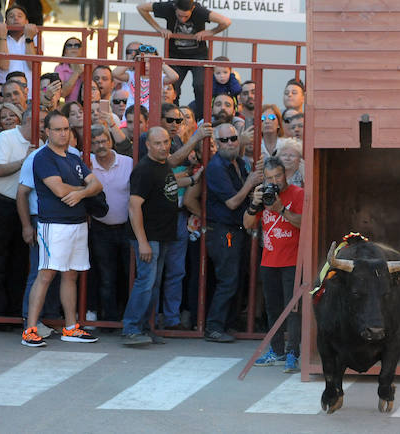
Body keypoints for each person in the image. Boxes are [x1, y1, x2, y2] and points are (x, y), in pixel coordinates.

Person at [21, 111, 103, 347]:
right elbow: (57, 189)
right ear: (47, 131)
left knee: (71, 274)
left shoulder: (74, 157)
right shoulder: (43, 157)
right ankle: (30, 330)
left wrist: (81, 193)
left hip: (77, 224)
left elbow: (96, 184)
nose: (63, 133)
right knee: (46, 273)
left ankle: (70, 327)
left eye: (66, 129)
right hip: (53, 224)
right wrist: (82, 190)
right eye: (57, 129)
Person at [121, 127, 196, 346]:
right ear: (147, 146)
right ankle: (131, 328)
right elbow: (134, 206)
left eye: (166, 142)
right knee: (145, 282)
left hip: (162, 235)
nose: (163, 147)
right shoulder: (144, 169)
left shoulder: (162, 166)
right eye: (158, 143)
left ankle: (144, 327)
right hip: (149, 237)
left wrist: (192, 180)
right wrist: (143, 242)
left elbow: (167, 186)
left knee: (153, 284)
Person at [205, 122, 263, 342]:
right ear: (216, 143)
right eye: (224, 140)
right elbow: (231, 202)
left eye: (233, 139)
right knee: (228, 279)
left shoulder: (238, 162)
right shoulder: (216, 167)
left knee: (237, 278)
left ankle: (227, 324)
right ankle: (214, 327)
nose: (230, 143)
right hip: (223, 231)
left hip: (237, 229)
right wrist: (249, 182)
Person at [245, 156, 303, 373]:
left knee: (293, 309)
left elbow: (303, 221)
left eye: (277, 176)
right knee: (273, 308)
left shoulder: (297, 194)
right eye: (269, 178)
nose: (274, 182)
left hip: (293, 260)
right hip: (269, 260)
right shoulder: (264, 196)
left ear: (285, 174)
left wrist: (280, 209)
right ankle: (276, 350)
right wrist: (254, 204)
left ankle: (292, 353)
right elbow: (247, 224)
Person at [137, 0, 232, 117]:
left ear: (192, 10)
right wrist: (159, 28)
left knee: (200, 85)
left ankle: (201, 118)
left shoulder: (199, 10)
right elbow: (141, 8)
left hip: (198, 55)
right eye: (179, 15)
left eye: (186, 16)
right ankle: (172, 116)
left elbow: (226, 21)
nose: (182, 19)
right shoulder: (168, 6)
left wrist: (211, 32)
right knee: (173, 85)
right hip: (176, 54)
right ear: (175, 8)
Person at [0, 103, 37, 319]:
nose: (45, 126)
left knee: (19, 261)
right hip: (2, 204)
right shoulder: (6, 138)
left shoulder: (41, 142)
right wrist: (25, 160)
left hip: (24, 206)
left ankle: (15, 312)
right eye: (41, 122)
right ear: (28, 120)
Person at [88, 126, 133, 323]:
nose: (101, 146)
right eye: (96, 142)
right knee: (106, 276)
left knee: (129, 274)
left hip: (126, 227)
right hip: (100, 229)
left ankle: (130, 318)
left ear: (111, 142)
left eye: (104, 141)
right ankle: (110, 320)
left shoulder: (128, 163)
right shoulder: (87, 163)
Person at [0, 6, 38, 89]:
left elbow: (33, 65)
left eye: (20, 16)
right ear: (5, 22)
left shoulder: (36, 38)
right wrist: (2, 37)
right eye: (11, 16)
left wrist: (29, 38)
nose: (16, 18)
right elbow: (4, 65)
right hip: (5, 91)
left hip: (29, 91)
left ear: (26, 21)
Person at [56, 37, 86, 103]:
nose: (73, 47)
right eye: (69, 45)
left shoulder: (88, 67)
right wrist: (76, 73)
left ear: (81, 50)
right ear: (65, 52)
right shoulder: (60, 68)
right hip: (70, 108)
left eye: (77, 45)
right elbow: (63, 93)